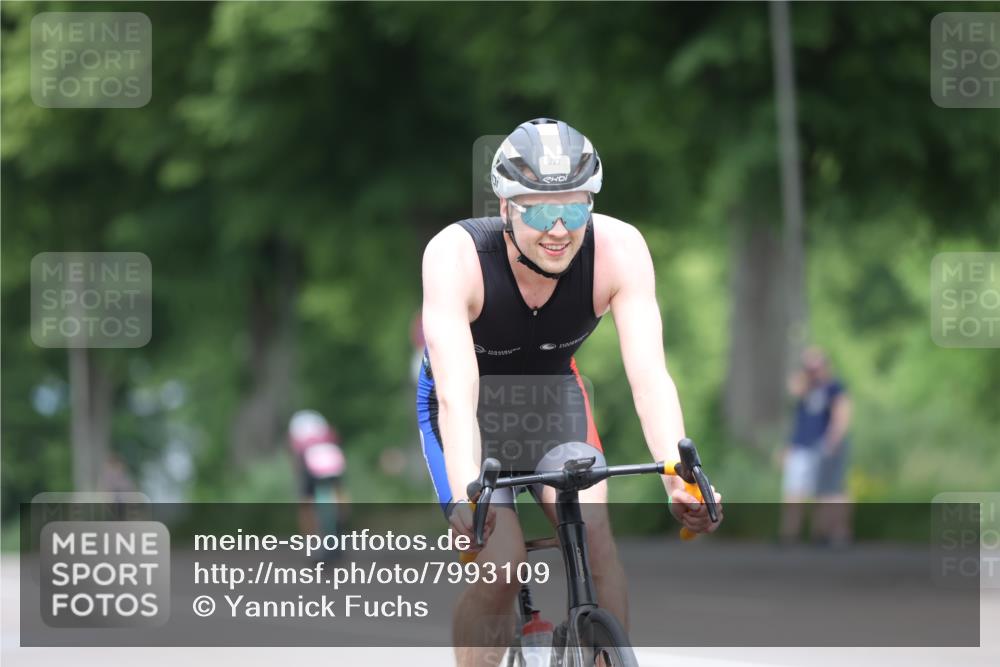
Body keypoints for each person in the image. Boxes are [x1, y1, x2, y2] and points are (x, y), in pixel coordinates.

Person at [417, 118, 723, 666]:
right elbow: (457, 398)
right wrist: (470, 491)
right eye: (538, 210)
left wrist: (680, 474)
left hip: (551, 399)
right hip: (467, 409)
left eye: (575, 208)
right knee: (503, 561)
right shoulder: (455, 256)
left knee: (598, 540)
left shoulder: (620, 249)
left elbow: (650, 377)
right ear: (506, 208)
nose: (559, 228)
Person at [779, 347, 852, 546]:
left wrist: (834, 439)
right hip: (800, 446)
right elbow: (792, 389)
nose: (812, 371)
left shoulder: (833, 387)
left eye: (815, 367)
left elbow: (842, 412)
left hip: (822, 446)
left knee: (829, 492)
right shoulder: (806, 389)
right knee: (794, 491)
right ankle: (790, 535)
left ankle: (832, 534)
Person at [287, 410, 348, 538]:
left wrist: (298, 473)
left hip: (310, 458)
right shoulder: (323, 426)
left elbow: (295, 453)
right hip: (332, 457)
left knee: (306, 500)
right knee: (338, 490)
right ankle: (342, 518)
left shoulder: (296, 426)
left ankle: (310, 536)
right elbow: (336, 440)